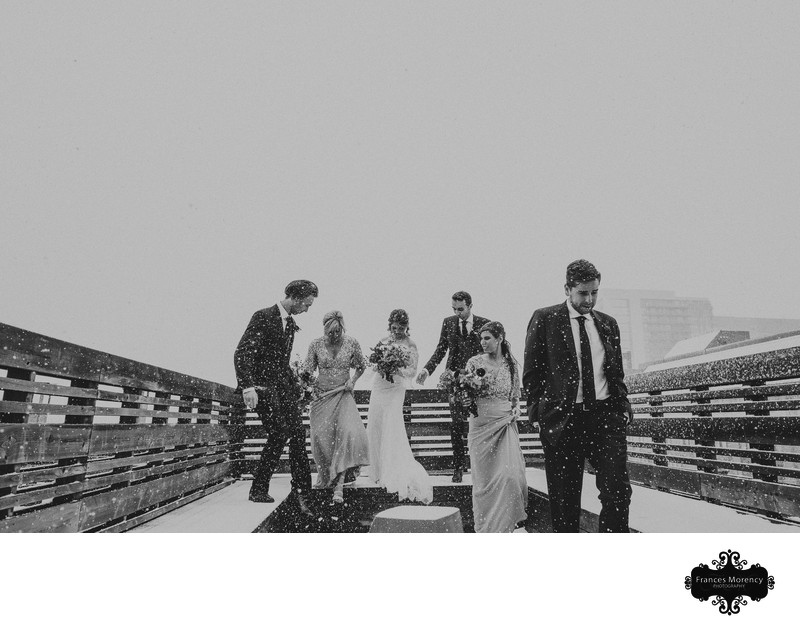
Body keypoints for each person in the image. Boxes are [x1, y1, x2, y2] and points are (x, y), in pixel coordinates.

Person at [522, 260, 633, 532]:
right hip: (563, 421)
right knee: (564, 500)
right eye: (583, 293)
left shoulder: (608, 324)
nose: (590, 299)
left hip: (604, 418)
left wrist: (623, 405)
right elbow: (532, 372)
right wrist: (537, 413)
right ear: (567, 289)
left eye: (594, 292)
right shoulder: (546, 318)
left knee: (617, 492)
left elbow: (615, 371)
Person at [233, 279, 318, 516]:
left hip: (283, 390)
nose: (307, 310)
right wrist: (247, 387)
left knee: (298, 434)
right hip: (261, 388)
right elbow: (242, 352)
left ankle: (302, 492)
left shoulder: (290, 324)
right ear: (297, 297)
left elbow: (281, 363)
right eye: (307, 305)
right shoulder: (263, 316)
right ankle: (259, 488)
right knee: (280, 433)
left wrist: (297, 386)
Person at [416, 291, 490, 482]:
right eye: (454, 309)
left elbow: (489, 354)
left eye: (461, 309)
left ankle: (480, 466)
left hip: (477, 382)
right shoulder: (448, 323)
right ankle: (458, 466)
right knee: (456, 424)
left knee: (479, 424)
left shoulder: (484, 324)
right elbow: (441, 349)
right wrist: (427, 370)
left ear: (470, 306)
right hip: (455, 381)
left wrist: (481, 377)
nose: (457, 313)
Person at [464, 321, 528, 533]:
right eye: (481, 338)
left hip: (504, 423)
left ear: (500, 338)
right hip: (481, 425)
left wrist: (517, 408)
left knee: (510, 476)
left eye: (487, 338)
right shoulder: (473, 362)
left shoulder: (510, 364)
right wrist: (464, 397)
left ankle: (505, 526)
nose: (482, 342)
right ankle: (485, 528)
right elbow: (465, 394)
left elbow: (515, 397)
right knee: (483, 482)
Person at [366, 309, 433, 504]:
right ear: (389, 325)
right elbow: (372, 365)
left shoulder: (411, 345)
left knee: (392, 426)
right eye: (394, 327)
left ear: (406, 327)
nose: (397, 331)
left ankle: (392, 469)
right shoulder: (382, 341)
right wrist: (381, 364)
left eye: (401, 328)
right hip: (380, 387)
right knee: (376, 424)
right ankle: (376, 470)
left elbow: (411, 371)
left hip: (395, 390)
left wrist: (396, 367)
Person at [302, 311, 369, 503]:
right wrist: (308, 386)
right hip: (322, 397)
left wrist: (353, 380)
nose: (334, 335)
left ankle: (340, 482)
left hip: (343, 394)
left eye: (337, 331)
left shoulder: (351, 343)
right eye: (330, 332)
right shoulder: (315, 344)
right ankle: (327, 476)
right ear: (324, 329)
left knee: (348, 432)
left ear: (342, 328)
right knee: (321, 438)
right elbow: (307, 370)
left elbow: (361, 365)